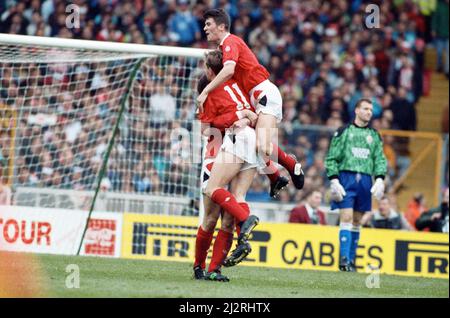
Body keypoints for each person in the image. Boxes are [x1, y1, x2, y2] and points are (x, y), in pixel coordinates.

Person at [197, 9, 304, 196]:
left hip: (264, 93)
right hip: (253, 99)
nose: (205, 28)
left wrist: (206, 91)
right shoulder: (221, 50)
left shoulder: (230, 41)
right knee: (253, 142)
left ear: (222, 26)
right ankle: (275, 177)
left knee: (262, 146)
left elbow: (229, 70)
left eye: (208, 24)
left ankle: (291, 164)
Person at [193, 50, 261, 282]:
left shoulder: (237, 85)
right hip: (216, 151)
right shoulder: (207, 89)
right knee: (211, 217)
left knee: (228, 220)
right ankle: (198, 266)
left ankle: (214, 269)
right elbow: (205, 130)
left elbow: (252, 115)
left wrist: (245, 117)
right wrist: (235, 118)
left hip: (237, 151)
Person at [325, 98, 387, 272]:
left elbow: (379, 158)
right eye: (365, 108)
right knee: (346, 217)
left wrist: (380, 178)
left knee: (358, 221)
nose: (369, 112)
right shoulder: (344, 131)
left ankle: (351, 261)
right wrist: (334, 179)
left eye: (371, 109)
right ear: (356, 111)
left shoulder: (374, 135)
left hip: (366, 180)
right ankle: (343, 259)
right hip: (346, 177)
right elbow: (332, 156)